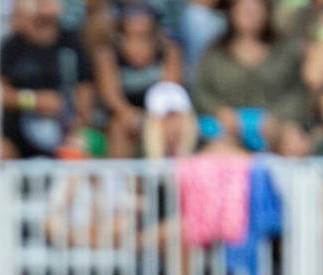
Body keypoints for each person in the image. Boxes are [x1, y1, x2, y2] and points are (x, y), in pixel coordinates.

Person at [193, 0, 310, 156]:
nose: (249, 14)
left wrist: (278, 118)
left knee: (294, 140)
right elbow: (201, 92)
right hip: (225, 131)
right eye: (243, 9)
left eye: (255, 9)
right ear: (231, 12)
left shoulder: (286, 50)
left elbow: (298, 92)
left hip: (275, 129)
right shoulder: (214, 53)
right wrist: (219, 112)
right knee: (217, 148)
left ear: (267, 12)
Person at [0, 0, 95, 159]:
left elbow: (85, 86)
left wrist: (80, 119)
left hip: (65, 128)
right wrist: (33, 100)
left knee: (85, 145)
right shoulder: (12, 47)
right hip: (18, 132)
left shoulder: (71, 42)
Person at [93, 2, 183, 158]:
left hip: (158, 115)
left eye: (143, 38)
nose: (138, 18)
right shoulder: (108, 55)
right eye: (132, 13)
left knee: (174, 125)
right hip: (122, 116)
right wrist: (131, 116)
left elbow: (169, 91)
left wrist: (151, 120)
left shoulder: (169, 51)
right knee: (120, 127)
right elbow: (112, 98)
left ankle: (167, 179)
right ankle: (122, 180)